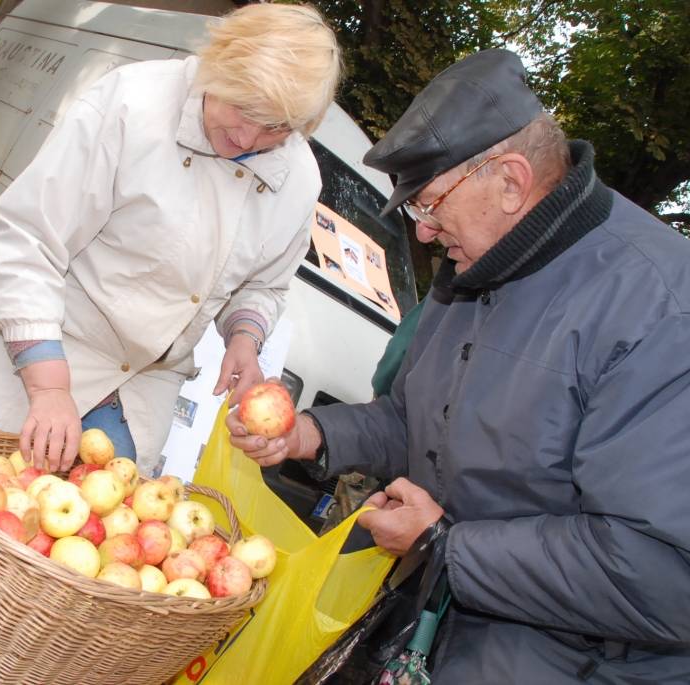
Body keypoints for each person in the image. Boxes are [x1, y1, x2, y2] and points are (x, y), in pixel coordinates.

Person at [229, 48, 690, 682]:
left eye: (429, 204)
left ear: (511, 182)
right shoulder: (473, 269)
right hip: (435, 630)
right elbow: (413, 420)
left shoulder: (660, 309)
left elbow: (663, 571)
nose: (422, 233)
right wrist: (309, 434)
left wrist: (446, 546)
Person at [0, 4, 342, 475]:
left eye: (275, 126)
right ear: (218, 65)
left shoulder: (299, 180)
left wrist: (244, 337)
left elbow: (265, 285)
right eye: (243, 107)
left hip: (137, 402)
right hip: (40, 356)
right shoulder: (131, 102)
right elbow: (28, 238)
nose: (248, 136)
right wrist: (48, 386)